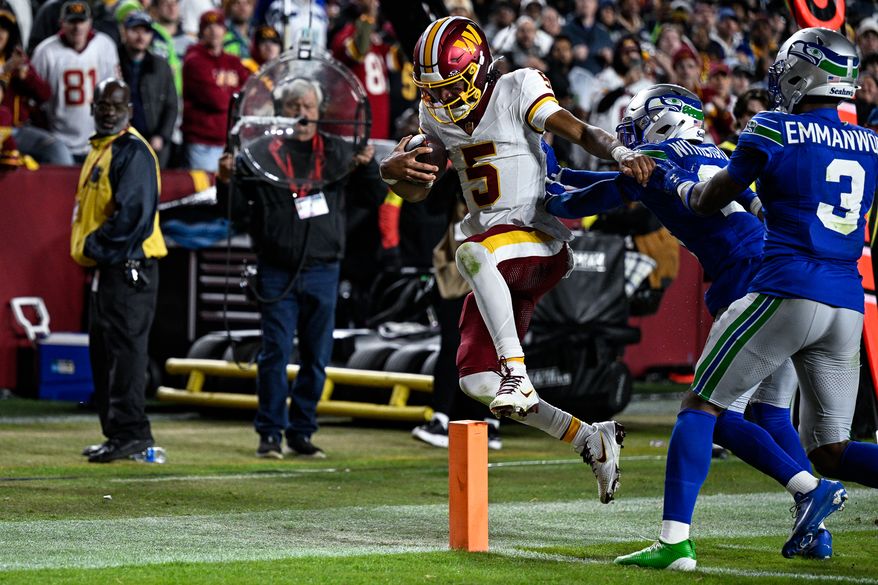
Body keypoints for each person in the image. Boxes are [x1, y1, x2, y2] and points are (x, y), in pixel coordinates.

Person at [616, 28, 878, 570]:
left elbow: (716, 195)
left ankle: (673, 543)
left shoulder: (774, 127)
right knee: (832, 450)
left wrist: (684, 190)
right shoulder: (873, 143)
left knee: (700, 405)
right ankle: (810, 505)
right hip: (848, 302)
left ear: (805, 73)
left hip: (786, 289)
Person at [544, 84, 834, 560]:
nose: (630, 133)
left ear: (661, 121)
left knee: (705, 411)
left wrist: (547, 185)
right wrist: (561, 173)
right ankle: (814, 531)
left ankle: (795, 494)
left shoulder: (657, 155)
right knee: (769, 413)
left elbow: (579, 202)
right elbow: (613, 180)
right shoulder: (716, 151)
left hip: (748, 277)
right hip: (786, 273)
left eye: (637, 122)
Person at [379, 16, 654, 504]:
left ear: (477, 70)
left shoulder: (517, 85)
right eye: (432, 90)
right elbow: (418, 188)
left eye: (448, 86)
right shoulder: (435, 117)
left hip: (537, 240)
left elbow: (580, 130)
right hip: (499, 261)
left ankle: (519, 374)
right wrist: (392, 170)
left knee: (471, 254)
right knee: (476, 380)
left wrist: (618, 150)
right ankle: (589, 438)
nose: (439, 99)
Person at [216, 78, 384, 459]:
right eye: (294, 106)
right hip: (276, 268)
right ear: (280, 111)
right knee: (274, 353)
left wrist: (368, 166)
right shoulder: (259, 153)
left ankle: (302, 432)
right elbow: (235, 213)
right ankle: (270, 434)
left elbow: (373, 198)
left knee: (316, 355)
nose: (302, 113)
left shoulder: (340, 151)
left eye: (308, 106)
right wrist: (226, 180)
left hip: (324, 268)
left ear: (320, 111)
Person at [72, 78, 167, 463]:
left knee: (125, 352)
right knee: (106, 351)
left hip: (128, 267)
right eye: (103, 104)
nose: (109, 110)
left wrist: (93, 247)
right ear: (93, 107)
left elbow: (133, 216)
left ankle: (131, 434)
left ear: (129, 110)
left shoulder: (132, 151)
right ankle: (117, 433)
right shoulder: (102, 149)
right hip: (110, 269)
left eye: (117, 105)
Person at [30, 0, 119, 162]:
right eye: (72, 22)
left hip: (96, 139)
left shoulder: (104, 46)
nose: (77, 27)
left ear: (90, 23)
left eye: (81, 21)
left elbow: (114, 93)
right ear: (61, 23)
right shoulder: (45, 52)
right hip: (57, 140)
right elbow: (36, 99)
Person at [182, 8, 250, 172]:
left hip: (229, 141)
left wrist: (231, 94)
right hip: (202, 142)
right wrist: (235, 94)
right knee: (207, 194)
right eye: (208, 27)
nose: (214, 31)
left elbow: (251, 91)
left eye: (218, 26)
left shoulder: (232, 61)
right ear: (200, 32)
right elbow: (217, 101)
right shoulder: (194, 60)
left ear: (225, 31)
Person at [118, 11, 177, 168]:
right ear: (124, 31)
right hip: (120, 140)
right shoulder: (113, 60)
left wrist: (162, 136)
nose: (141, 36)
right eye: (135, 30)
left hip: (153, 141)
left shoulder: (161, 65)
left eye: (146, 31)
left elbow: (171, 105)